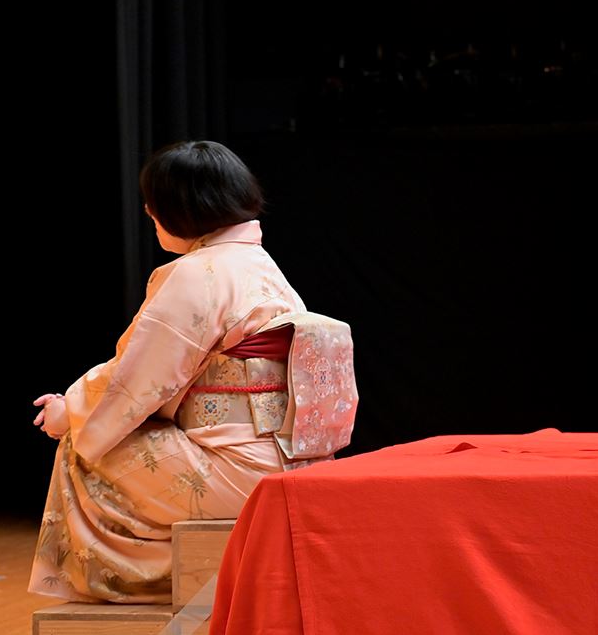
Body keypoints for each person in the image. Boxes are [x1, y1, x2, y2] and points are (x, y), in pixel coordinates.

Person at [30, 140, 356, 603]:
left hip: (239, 468)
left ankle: (150, 581)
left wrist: (70, 410)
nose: (148, 212)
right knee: (94, 428)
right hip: (292, 460)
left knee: (81, 445)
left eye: (153, 205)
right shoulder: (260, 265)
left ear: (177, 208)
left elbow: (138, 379)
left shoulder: (198, 273)